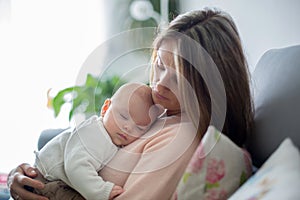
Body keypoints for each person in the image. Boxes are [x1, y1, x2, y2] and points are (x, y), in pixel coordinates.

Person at [7, 7, 253, 200]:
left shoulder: (181, 137)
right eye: (159, 65)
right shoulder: (160, 110)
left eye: (178, 77)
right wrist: (23, 176)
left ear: (206, 85)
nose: (159, 83)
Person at [30, 82, 163, 200]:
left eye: (139, 128)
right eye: (123, 116)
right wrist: (101, 190)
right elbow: (76, 166)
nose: (128, 128)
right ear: (105, 108)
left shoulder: (113, 139)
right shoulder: (95, 133)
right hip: (45, 181)